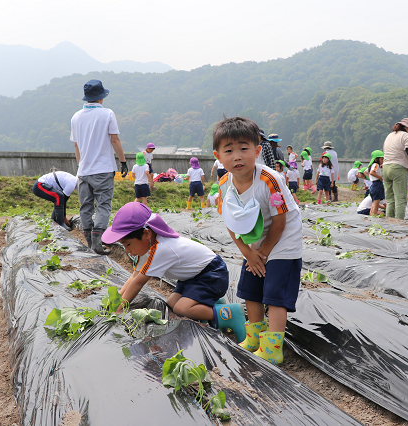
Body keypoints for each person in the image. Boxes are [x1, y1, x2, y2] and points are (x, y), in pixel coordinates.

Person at [213, 117, 302, 365]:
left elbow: (281, 222)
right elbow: (231, 223)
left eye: (244, 148)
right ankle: (253, 336)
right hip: (255, 240)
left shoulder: (269, 180)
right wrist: (249, 254)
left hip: (283, 239)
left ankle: (273, 348)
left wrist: (262, 252)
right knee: (250, 287)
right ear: (218, 156)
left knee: (274, 293)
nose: (237, 156)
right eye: (229, 151)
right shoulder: (223, 186)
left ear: (258, 151)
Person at [101, 202, 246, 341]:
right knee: (171, 305)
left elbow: (138, 283)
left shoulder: (161, 249)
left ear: (146, 234)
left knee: (182, 309)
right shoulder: (147, 247)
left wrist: (119, 309)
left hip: (212, 274)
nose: (126, 250)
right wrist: (114, 303)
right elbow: (133, 277)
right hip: (191, 277)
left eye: (128, 244)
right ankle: (213, 304)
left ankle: (230, 314)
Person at [71, 79, 128, 254]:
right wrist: (123, 161)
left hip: (84, 171)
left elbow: (76, 146)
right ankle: (97, 242)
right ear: (101, 97)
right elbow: (115, 139)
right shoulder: (107, 114)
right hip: (103, 170)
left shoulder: (76, 117)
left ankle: (89, 242)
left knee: (86, 207)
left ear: (86, 98)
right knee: (103, 206)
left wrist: (82, 165)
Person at [368, 150, 385, 216]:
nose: (382, 160)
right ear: (376, 159)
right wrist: (380, 177)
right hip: (377, 185)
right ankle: (374, 217)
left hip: (374, 185)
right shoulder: (376, 164)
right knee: (375, 205)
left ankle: (371, 216)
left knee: (373, 204)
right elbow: (372, 172)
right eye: (381, 159)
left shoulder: (374, 165)